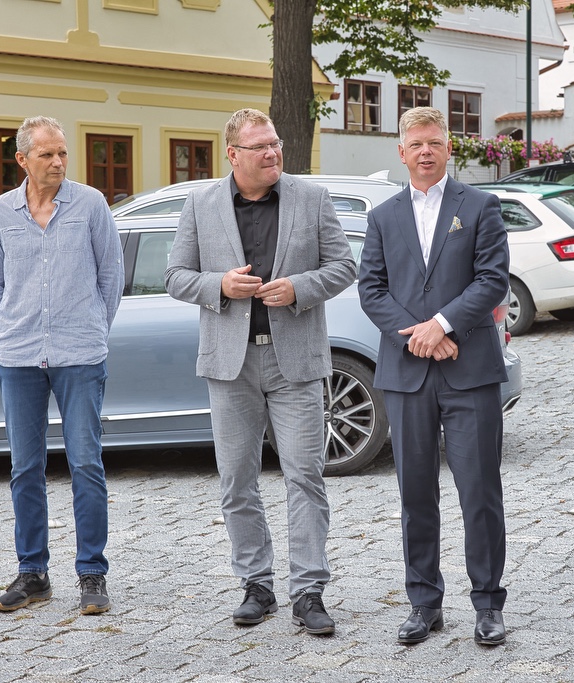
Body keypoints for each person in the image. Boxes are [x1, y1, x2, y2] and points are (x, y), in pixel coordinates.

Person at [164, 108, 356, 636]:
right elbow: (175, 276)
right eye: (261, 147)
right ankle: (257, 585)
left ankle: (309, 591)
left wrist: (300, 288)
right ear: (233, 155)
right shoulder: (201, 203)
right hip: (231, 365)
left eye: (275, 143)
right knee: (237, 481)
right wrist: (218, 286)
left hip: (295, 362)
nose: (273, 153)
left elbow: (344, 265)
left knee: (305, 476)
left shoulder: (310, 198)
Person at [358, 107, 511, 646]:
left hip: (469, 371)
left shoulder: (481, 206)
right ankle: (424, 603)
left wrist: (442, 324)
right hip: (407, 374)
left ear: (450, 149)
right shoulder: (383, 216)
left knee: (479, 492)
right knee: (415, 495)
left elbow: (493, 279)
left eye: (435, 143)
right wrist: (417, 333)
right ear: (401, 152)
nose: (426, 151)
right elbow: (371, 290)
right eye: (416, 143)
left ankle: (488, 604)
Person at [0, 116, 124, 615]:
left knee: (86, 463)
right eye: (46, 154)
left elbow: (111, 275)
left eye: (62, 153)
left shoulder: (90, 206)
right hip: (18, 357)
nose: (58, 162)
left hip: (80, 354)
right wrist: (18, 326)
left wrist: (92, 329)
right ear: (22, 160)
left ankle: (91, 574)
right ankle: (33, 573)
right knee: (25, 468)